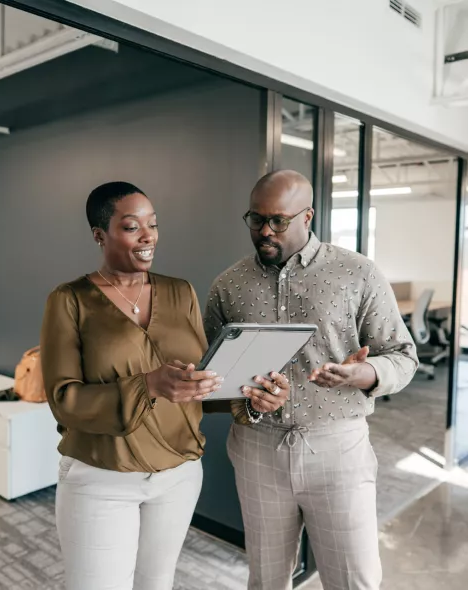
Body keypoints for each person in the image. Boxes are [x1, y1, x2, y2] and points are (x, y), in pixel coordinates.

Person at [40, 181, 291, 590]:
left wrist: (252, 397)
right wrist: (148, 386)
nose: (147, 237)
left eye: (153, 225)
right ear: (99, 235)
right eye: (131, 226)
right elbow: (64, 401)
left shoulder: (180, 292)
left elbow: (201, 385)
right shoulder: (69, 300)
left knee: (156, 584)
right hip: (103, 477)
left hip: (179, 474)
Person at [204, 170, 418, 590]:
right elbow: (213, 379)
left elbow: (404, 357)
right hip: (257, 450)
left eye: (278, 221)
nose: (264, 231)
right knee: (266, 580)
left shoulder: (358, 273)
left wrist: (366, 373)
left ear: (308, 216)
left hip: (338, 448)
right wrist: (248, 401)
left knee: (353, 579)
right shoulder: (228, 285)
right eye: (255, 219)